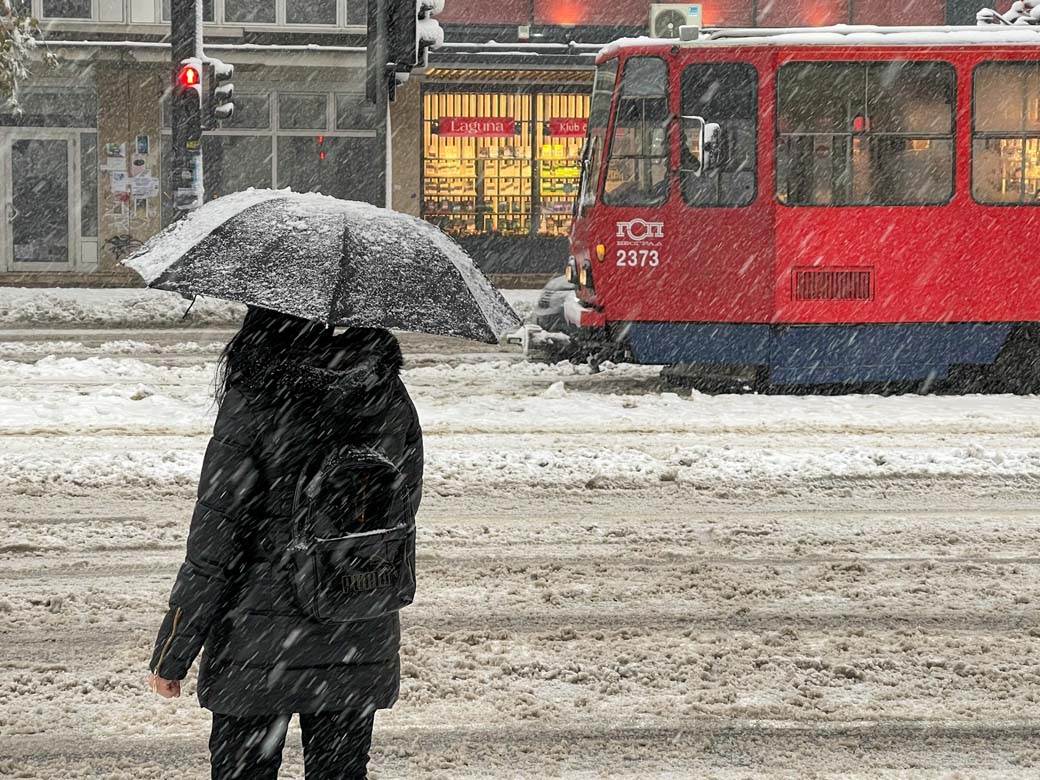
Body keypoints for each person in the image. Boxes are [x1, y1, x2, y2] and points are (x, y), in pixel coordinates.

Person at [147, 307, 423, 780]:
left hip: (256, 643)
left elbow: (214, 541)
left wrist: (174, 651)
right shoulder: (386, 395)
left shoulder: (255, 397)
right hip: (354, 626)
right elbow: (401, 507)